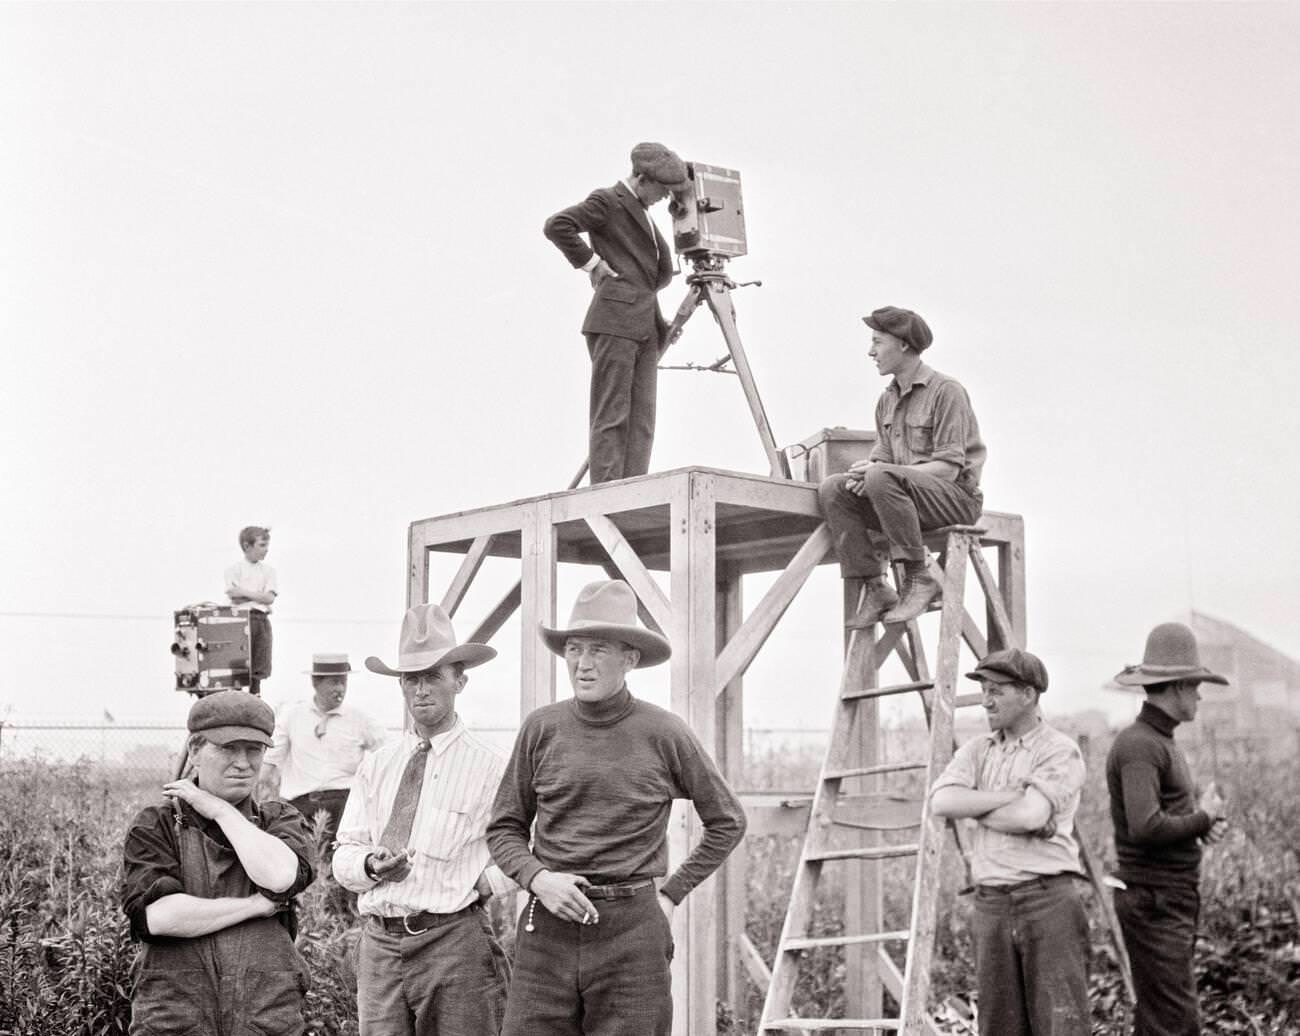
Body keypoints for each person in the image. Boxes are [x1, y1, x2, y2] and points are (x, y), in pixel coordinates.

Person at [488, 579, 747, 1036]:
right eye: (574, 649)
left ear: (630, 659)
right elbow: (504, 828)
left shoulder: (664, 732)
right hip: (547, 928)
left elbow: (727, 821)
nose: (583, 665)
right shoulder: (540, 729)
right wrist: (539, 879)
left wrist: (670, 894)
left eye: (599, 651)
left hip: (632, 934)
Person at [333, 604, 511, 1036]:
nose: (421, 690)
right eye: (411, 679)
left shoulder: (491, 767)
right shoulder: (378, 765)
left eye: (433, 676)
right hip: (380, 946)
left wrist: (487, 884)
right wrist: (372, 866)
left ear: (460, 681)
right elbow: (344, 855)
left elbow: (529, 846)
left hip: (454, 942)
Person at [120, 690, 314, 1035]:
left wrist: (219, 809)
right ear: (194, 751)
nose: (243, 762)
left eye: (254, 749)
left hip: (266, 1016)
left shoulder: (280, 819)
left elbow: (279, 877)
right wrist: (254, 906)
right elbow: (160, 917)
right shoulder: (157, 823)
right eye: (228, 748)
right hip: (176, 1017)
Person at [929, 648, 1089, 1036]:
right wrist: (1005, 797)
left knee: (1059, 1023)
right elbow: (942, 801)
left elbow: (1030, 816)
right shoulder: (978, 750)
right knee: (1000, 1025)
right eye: (984, 690)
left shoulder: (1058, 749)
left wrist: (976, 806)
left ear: (1029, 694)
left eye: (997, 690)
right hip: (991, 904)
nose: (986, 700)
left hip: (1046, 901)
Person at [818, 306, 986, 626]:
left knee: (880, 476)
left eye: (877, 342)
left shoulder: (946, 391)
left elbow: (949, 469)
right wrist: (863, 475)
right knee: (833, 488)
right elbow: (882, 461)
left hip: (955, 501)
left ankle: (917, 577)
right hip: (903, 501)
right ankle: (874, 585)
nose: (871, 351)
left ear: (904, 345)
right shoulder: (886, 400)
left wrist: (880, 473)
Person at [1106, 622, 1229, 1036]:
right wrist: (1203, 818)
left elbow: (1165, 818)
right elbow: (1145, 827)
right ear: (1177, 687)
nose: (1199, 697)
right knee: (1174, 1022)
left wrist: (1198, 828)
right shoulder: (1140, 745)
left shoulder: (1161, 741)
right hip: (1154, 900)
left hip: (1168, 897)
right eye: (1195, 687)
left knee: (1164, 1016)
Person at [544, 142, 689, 484]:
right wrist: (592, 264)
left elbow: (646, 280)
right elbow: (557, 225)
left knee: (642, 420)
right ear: (641, 178)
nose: (664, 198)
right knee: (612, 415)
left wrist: (660, 324)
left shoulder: (644, 214)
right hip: (615, 321)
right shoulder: (607, 200)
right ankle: (607, 495)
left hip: (644, 325)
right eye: (661, 190)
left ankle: (632, 492)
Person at [261, 652, 386, 912]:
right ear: (316, 684)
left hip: (346, 806)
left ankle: (345, 921)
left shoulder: (359, 719)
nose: (339, 689)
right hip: (303, 807)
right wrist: (263, 801)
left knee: (347, 871)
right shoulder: (292, 716)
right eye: (332, 682)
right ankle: (306, 919)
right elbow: (270, 763)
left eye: (343, 682)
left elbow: (387, 755)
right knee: (306, 869)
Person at [225, 525, 277, 694]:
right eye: (261, 545)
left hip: (260, 619)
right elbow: (234, 596)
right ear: (247, 546)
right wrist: (259, 596)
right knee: (238, 664)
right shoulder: (233, 569)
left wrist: (244, 593)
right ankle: (237, 698)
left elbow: (270, 598)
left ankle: (256, 696)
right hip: (239, 619)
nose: (266, 550)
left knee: (259, 665)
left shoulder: (268, 571)